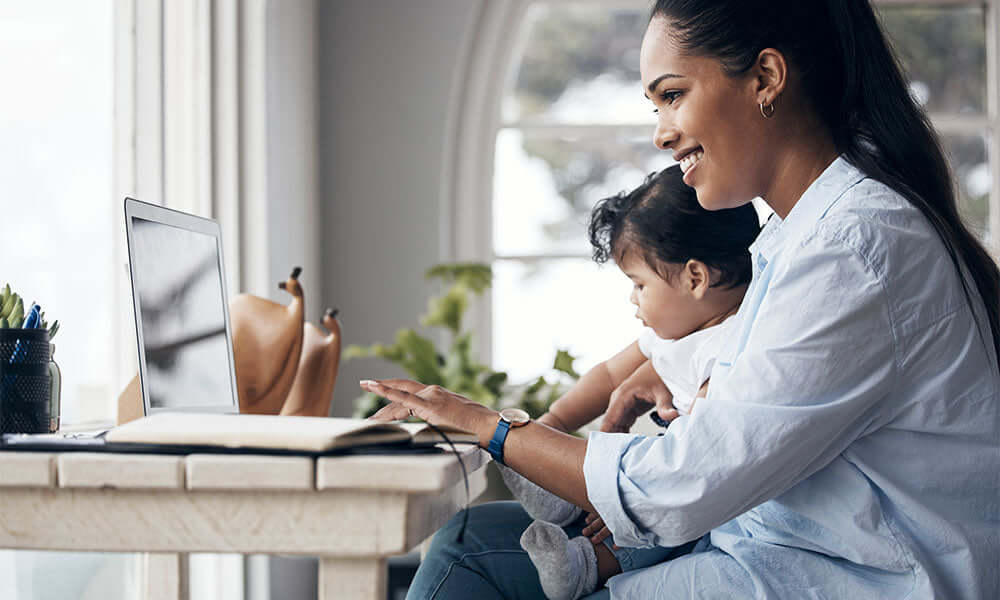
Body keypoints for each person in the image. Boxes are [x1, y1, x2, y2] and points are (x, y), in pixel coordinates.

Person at [364, 0, 1000, 597]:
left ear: (767, 79)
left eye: (672, 95)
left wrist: (489, 426)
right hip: (763, 545)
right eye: (654, 106)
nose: (661, 135)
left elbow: (679, 486)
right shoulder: (798, 231)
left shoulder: (855, 245)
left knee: (477, 558)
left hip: (847, 576)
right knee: (468, 542)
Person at [499, 164, 758, 600]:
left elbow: (696, 461)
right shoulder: (672, 333)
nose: (632, 299)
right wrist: (551, 425)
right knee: (621, 462)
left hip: (700, 500)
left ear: (695, 278)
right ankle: (557, 494)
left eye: (639, 284)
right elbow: (609, 376)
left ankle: (585, 567)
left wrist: (632, 504)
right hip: (670, 481)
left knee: (663, 516)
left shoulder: (731, 348)